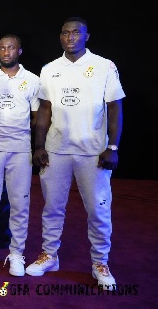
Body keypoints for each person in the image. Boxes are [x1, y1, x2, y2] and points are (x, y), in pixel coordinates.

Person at [25, 17, 124, 291]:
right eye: (66, 32)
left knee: (98, 210)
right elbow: (44, 109)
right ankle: (49, 256)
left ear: (86, 36)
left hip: (93, 152)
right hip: (57, 150)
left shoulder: (104, 66)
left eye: (76, 32)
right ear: (60, 37)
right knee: (52, 207)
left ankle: (100, 262)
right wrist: (39, 145)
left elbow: (115, 108)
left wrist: (112, 146)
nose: (71, 37)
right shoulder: (49, 69)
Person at [0, 34, 39, 277]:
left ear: (19, 51)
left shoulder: (32, 80)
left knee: (19, 204)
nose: (5, 51)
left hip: (20, 149)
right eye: (2, 47)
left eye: (11, 47)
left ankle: (16, 253)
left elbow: (36, 116)